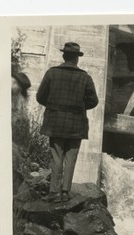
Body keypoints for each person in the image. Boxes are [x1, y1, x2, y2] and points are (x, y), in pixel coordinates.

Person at [36, 42, 99, 202]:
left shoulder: (52, 73)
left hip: (55, 121)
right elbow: (93, 101)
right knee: (71, 157)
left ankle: (53, 192)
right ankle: (65, 192)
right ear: (77, 59)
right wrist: (79, 106)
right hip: (76, 123)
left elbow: (40, 97)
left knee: (56, 157)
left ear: (64, 56)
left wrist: (54, 106)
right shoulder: (85, 77)